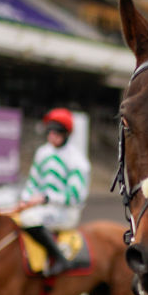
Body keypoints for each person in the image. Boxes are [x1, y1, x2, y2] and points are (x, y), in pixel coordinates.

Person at [18, 108, 90, 277]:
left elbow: (76, 197)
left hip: (66, 213)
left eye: (57, 133)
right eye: (50, 132)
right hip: (43, 208)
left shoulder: (77, 160)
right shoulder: (43, 153)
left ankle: (60, 259)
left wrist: (46, 198)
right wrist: (25, 200)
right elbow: (33, 182)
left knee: (29, 219)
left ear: (66, 134)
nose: (52, 136)